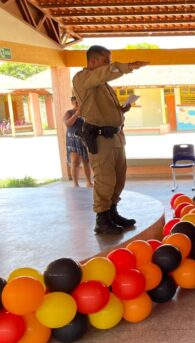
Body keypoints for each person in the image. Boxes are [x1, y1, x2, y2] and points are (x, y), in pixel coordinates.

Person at [72, 45, 148, 234]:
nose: (108, 64)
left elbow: (103, 106)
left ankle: (112, 212)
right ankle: (102, 219)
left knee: (118, 178)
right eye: (106, 60)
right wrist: (127, 66)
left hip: (115, 137)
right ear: (92, 61)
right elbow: (104, 73)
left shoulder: (103, 85)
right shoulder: (82, 78)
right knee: (105, 178)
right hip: (99, 138)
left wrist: (120, 110)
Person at [64, 96, 92, 188]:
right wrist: (76, 114)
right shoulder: (69, 112)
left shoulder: (87, 113)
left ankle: (89, 182)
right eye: (75, 102)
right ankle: (75, 184)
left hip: (85, 139)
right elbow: (68, 124)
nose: (77, 104)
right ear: (72, 102)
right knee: (75, 161)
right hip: (73, 139)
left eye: (79, 102)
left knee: (86, 161)